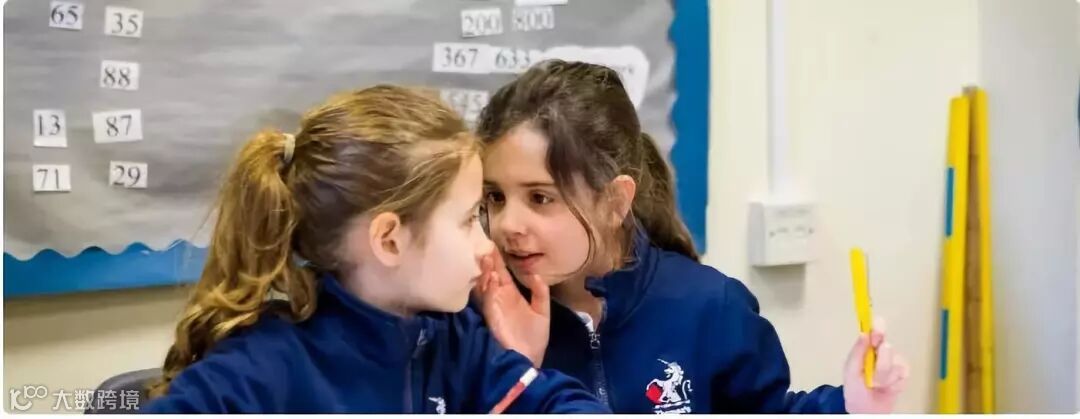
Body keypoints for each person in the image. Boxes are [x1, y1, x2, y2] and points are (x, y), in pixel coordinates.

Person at [472, 60, 910, 414]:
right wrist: (518, 373)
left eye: (540, 198)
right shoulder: (479, 318)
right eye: (494, 196)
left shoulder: (710, 307)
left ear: (614, 202)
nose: (508, 224)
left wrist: (852, 406)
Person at [142, 85, 610, 414]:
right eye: (469, 220)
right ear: (389, 239)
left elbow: (554, 403)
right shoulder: (262, 368)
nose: (488, 246)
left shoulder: (455, 339)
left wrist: (526, 361)